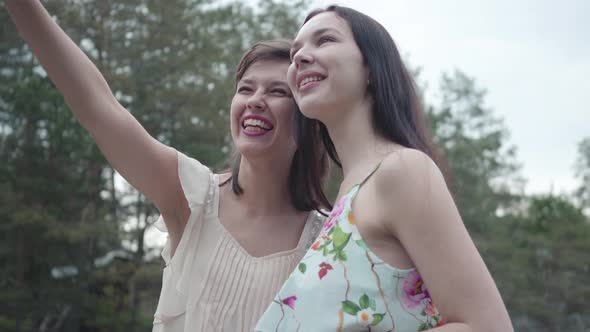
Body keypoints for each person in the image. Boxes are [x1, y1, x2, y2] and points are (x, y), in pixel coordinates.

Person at [4, 1, 329, 331]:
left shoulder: (327, 240)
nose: (255, 99)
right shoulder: (193, 198)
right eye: (246, 88)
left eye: (277, 92)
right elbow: (98, 106)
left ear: (310, 119)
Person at [256, 5, 514, 332]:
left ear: (371, 68)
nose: (301, 57)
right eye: (295, 53)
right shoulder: (347, 195)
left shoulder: (401, 171)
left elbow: (486, 326)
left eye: (324, 40)